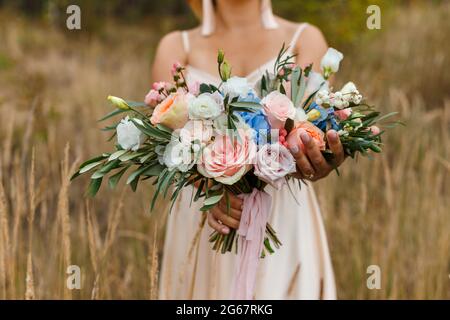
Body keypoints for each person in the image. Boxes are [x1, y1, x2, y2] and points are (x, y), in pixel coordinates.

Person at [151, 0, 346, 299]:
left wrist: (321, 158)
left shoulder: (305, 39)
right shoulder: (176, 47)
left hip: (282, 216)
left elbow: (317, 128)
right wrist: (208, 188)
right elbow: (166, 148)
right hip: (205, 219)